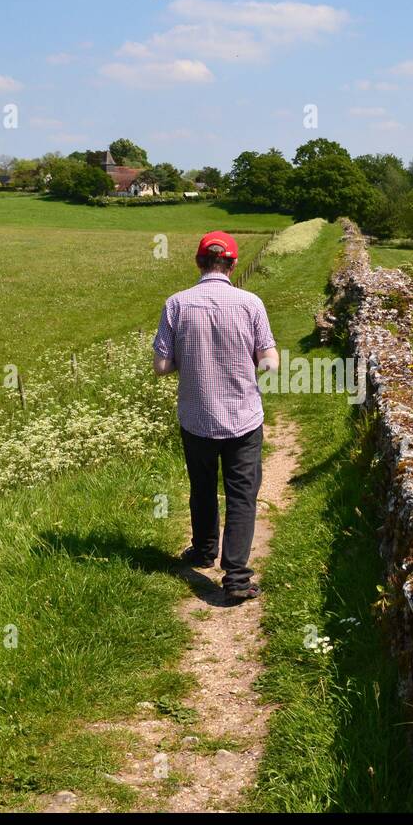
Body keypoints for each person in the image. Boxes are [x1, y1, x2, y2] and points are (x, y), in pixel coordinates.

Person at [152, 231, 279, 601]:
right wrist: (262, 369)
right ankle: (237, 577)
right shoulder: (250, 303)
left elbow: (161, 366)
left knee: (202, 486)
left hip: (197, 416)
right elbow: (269, 359)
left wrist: (186, 360)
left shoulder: (176, 304)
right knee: (242, 494)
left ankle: (204, 551)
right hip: (243, 416)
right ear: (233, 264)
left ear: (198, 262)